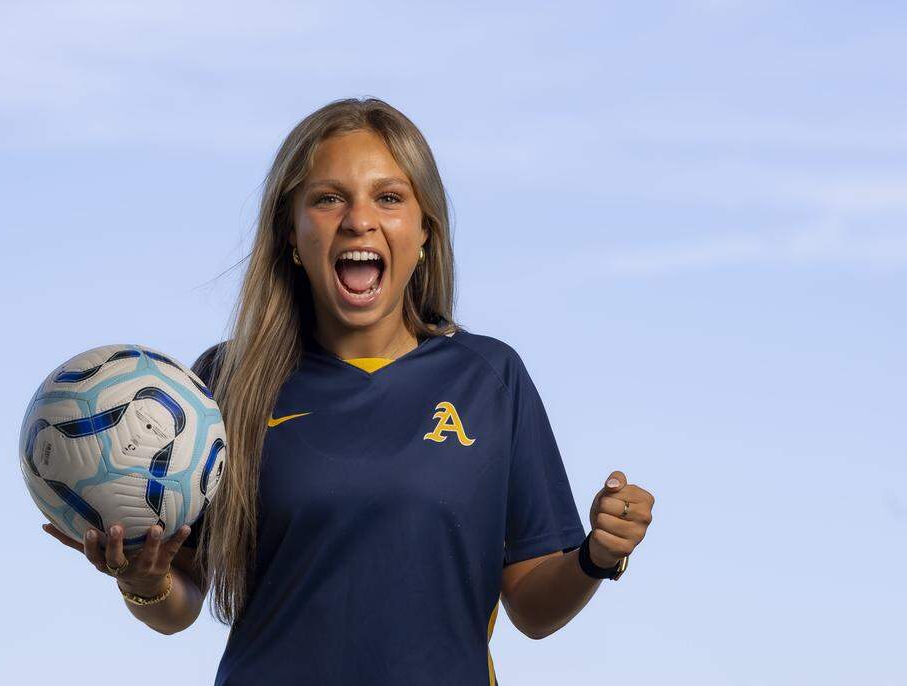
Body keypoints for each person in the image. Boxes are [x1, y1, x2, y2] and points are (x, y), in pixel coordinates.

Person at [42, 97, 655, 685]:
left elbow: (533, 610)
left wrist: (596, 556)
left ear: (425, 231)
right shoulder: (227, 384)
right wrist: (141, 582)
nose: (359, 219)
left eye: (388, 197)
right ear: (290, 232)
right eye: (329, 198)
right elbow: (180, 600)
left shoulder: (490, 377)